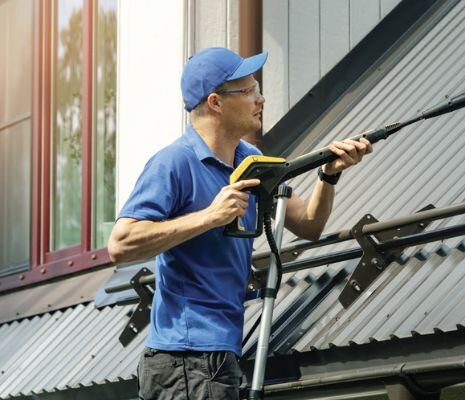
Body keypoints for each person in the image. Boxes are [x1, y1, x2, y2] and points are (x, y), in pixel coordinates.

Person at [107, 47, 372, 400]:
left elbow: (309, 225)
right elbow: (121, 244)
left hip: (219, 354)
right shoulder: (174, 163)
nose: (261, 99)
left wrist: (329, 175)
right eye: (249, 91)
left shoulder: (252, 160)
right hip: (185, 357)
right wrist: (210, 216)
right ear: (215, 102)